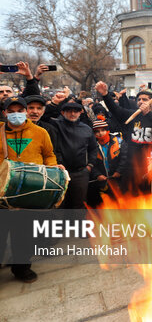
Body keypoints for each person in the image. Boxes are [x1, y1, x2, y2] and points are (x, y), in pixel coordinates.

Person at [0, 96, 58, 283]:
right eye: (11, 111)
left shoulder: (40, 132)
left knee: (23, 234)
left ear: (25, 112)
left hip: (30, 190)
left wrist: (53, 170)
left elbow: (49, 155)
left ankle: (22, 269)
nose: (16, 114)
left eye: (19, 110)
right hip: (2, 191)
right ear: (4, 113)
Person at [95, 81, 152, 194]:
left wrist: (148, 114)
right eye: (139, 99)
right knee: (129, 195)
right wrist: (105, 94)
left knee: (147, 196)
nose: (141, 102)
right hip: (130, 164)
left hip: (148, 165)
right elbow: (116, 110)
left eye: (145, 99)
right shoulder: (132, 114)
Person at [48, 101, 97, 208]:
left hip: (80, 173)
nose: (72, 114)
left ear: (81, 113)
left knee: (78, 204)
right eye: (69, 111)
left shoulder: (87, 129)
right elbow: (45, 115)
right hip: (59, 172)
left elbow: (93, 148)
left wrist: (90, 166)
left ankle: (77, 225)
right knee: (58, 204)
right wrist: (54, 103)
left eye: (76, 111)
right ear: (62, 112)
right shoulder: (56, 125)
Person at [88, 116, 125, 207]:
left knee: (119, 202)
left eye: (102, 130)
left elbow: (124, 158)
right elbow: (90, 163)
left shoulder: (119, 142)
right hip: (101, 182)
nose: (100, 133)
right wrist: (97, 175)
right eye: (97, 131)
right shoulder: (92, 145)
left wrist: (119, 171)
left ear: (107, 130)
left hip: (118, 180)